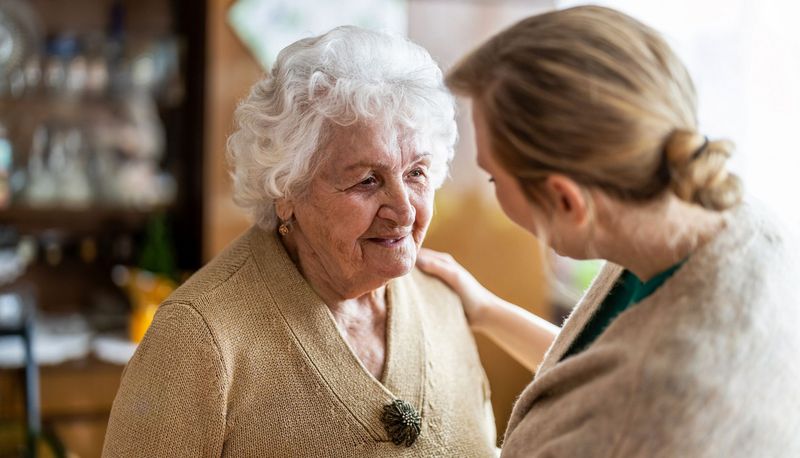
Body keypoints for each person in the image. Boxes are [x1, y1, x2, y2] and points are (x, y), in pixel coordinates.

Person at [417, 6, 800, 457]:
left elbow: (621, 397)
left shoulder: (647, 417)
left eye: (493, 178)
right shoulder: (731, 221)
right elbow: (595, 370)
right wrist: (485, 309)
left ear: (566, 200)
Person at [103, 26, 497, 457]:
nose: (404, 211)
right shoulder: (197, 338)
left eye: (416, 173)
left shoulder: (443, 301)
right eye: (368, 180)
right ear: (287, 191)